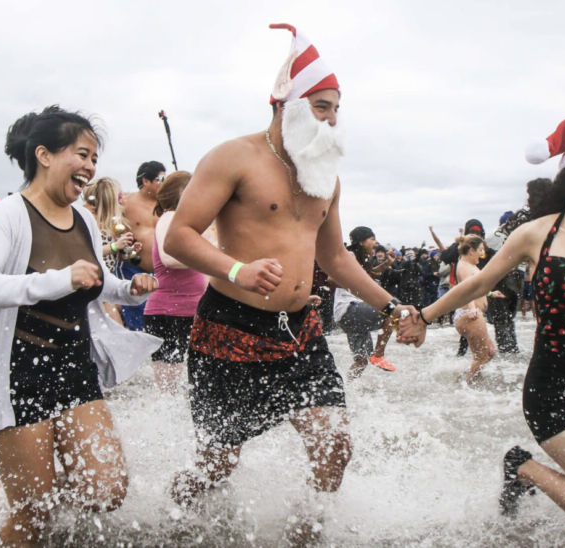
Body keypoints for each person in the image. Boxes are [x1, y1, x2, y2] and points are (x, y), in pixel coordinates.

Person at [164, 25, 418, 542]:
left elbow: (337, 258)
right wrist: (238, 269)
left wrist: (393, 307)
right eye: (321, 107)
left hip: (301, 332)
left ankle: (303, 535)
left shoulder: (326, 174)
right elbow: (178, 236)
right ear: (284, 103)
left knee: (334, 444)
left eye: (335, 109)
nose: (330, 119)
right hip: (229, 330)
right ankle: (170, 517)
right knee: (219, 464)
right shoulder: (234, 156)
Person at [411, 119, 565, 542]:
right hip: (552, 389)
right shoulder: (537, 233)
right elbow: (478, 282)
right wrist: (424, 316)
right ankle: (523, 467)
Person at [0, 106, 159, 545]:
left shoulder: (83, 218)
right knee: (33, 515)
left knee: (105, 491)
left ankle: (34, 478)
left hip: (73, 364)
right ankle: (26, 488)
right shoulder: (9, 214)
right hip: (17, 372)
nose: (89, 166)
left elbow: (92, 280)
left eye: (94, 159)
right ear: (44, 154)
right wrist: (57, 280)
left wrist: (129, 291)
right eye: (82, 154)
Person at [144, 171, 210, 395]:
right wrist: (207, 255)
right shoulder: (169, 217)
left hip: (194, 312)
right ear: (183, 193)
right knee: (168, 393)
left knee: (195, 386)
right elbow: (169, 258)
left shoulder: (186, 224)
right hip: (168, 313)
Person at [334, 227, 404, 378]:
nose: (375, 243)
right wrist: (358, 283)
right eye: (372, 239)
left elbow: (368, 276)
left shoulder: (361, 258)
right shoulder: (350, 256)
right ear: (361, 242)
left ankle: (346, 389)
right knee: (393, 309)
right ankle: (379, 354)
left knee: (362, 360)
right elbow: (331, 280)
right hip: (349, 309)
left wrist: (386, 264)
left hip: (348, 315)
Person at [81, 177, 139, 326]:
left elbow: (112, 255)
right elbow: (87, 252)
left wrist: (127, 252)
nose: (122, 200)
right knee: (115, 331)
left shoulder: (109, 222)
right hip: (91, 284)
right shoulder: (89, 218)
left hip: (105, 282)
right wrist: (115, 246)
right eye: (119, 196)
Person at [116, 161, 164, 331]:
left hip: (161, 272)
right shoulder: (125, 202)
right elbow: (110, 224)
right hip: (132, 268)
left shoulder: (165, 205)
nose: (164, 183)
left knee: (160, 321)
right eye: (161, 179)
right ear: (146, 181)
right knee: (138, 323)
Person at [452, 234, 501, 382]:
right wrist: (473, 308)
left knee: (490, 352)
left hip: (472, 313)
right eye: (480, 250)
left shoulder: (471, 265)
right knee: (481, 356)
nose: (482, 253)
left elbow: (478, 289)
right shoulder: (465, 267)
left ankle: (465, 377)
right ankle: (468, 386)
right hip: (469, 313)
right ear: (471, 250)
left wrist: (491, 293)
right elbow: (468, 290)